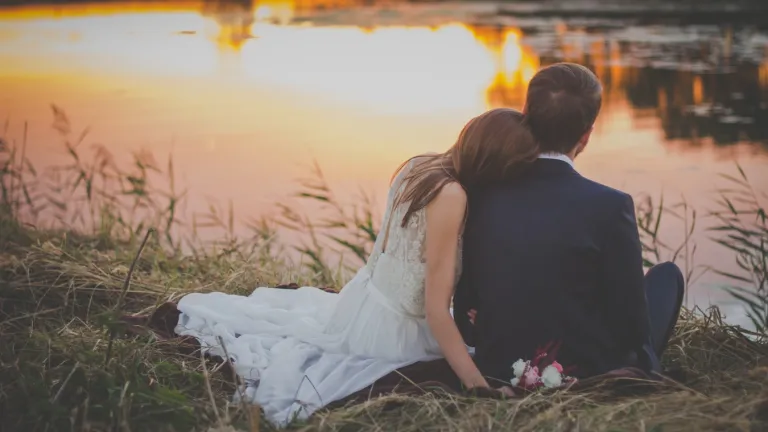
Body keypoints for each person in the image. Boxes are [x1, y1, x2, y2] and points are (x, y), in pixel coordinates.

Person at [169, 108, 539, 425]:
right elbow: (435, 310)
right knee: (478, 359)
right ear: (495, 164)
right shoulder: (452, 195)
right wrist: (477, 387)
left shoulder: (421, 164)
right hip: (395, 333)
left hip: (362, 302)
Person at [452, 63, 686, 384]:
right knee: (666, 278)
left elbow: (465, 311)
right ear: (587, 134)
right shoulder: (610, 205)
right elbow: (631, 324)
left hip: (499, 364)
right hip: (581, 368)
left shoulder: (480, 193)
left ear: (526, 116)